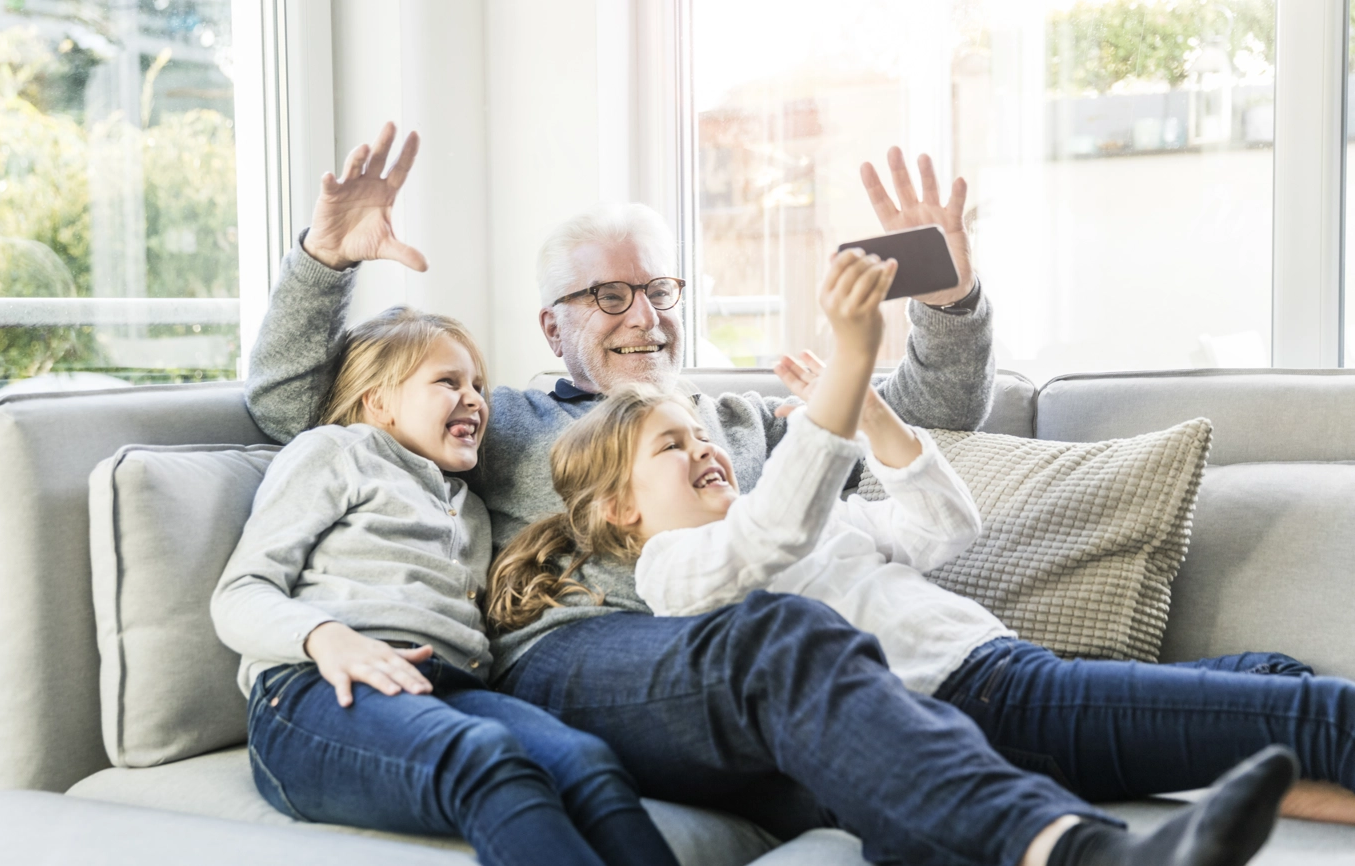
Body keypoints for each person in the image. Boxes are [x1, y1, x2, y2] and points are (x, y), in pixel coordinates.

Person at [239, 122, 1319, 865]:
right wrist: (324, 261)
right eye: (608, 294)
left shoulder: (745, 420)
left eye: (659, 289)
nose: (644, 317)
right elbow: (302, 407)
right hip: (591, 653)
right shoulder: (505, 416)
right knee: (784, 633)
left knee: (1258, 687)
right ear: (552, 327)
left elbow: (927, 410)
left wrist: (947, 295)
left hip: (786, 665)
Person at [211, 306, 680, 866]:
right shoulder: (338, 452)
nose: (475, 398)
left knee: (588, 764)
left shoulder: (471, 506)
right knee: (487, 759)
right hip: (315, 693)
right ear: (378, 401)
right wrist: (326, 637)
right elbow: (240, 591)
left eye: (477, 385)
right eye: (447, 382)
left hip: (451, 691)